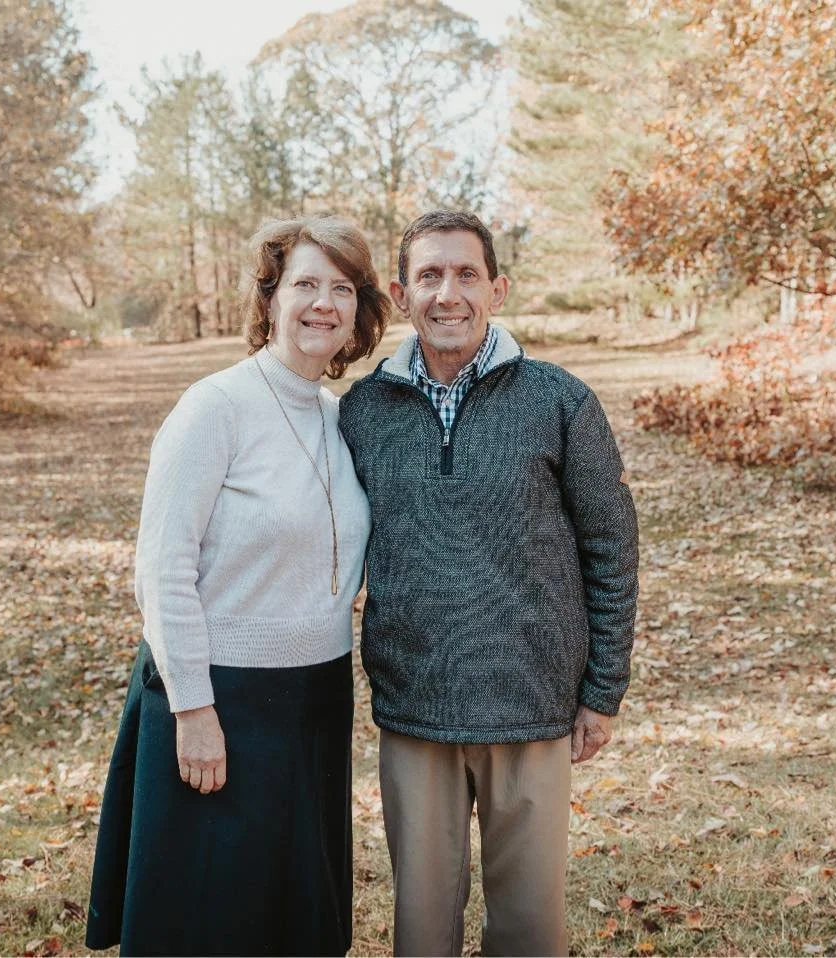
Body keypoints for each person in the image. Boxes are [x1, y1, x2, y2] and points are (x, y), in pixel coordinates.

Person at [85, 216, 391, 957]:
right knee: (206, 919)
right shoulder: (213, 407)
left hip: (314, 698)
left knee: (291, 918)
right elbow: (162, 567)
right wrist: (194, 708)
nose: (323, 303)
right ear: (271, 300)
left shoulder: (336, 417)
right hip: (216, 696)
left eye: (341, 288)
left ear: (359, 311)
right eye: (305, 284)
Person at [338, 209, 639, 957]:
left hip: (532, 704)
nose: (449, 293)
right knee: (421, 929)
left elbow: (611, 544)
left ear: (497, 289)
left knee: (531, 930)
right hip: (416, 708)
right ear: (403, 296)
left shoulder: (560, 401)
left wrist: (602, 690)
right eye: (430, 276)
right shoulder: (361, 412)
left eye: (466, 274)